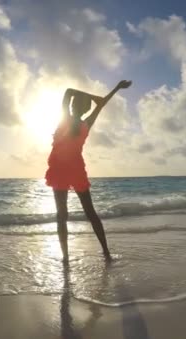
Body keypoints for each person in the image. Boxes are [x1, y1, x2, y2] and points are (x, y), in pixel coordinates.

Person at [45, 80, 132, 262]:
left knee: (63, 214)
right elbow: (98, 103)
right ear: (85, 109)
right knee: (87, 213)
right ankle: (105, 253)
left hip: (62, 169)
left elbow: (69, 91)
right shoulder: (85, 122)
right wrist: (111, 90)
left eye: (77, 102)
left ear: (76, 106)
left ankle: (67, 257)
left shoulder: (65, 118)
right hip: (71, 168)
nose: (75, 103)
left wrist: (98, 95)